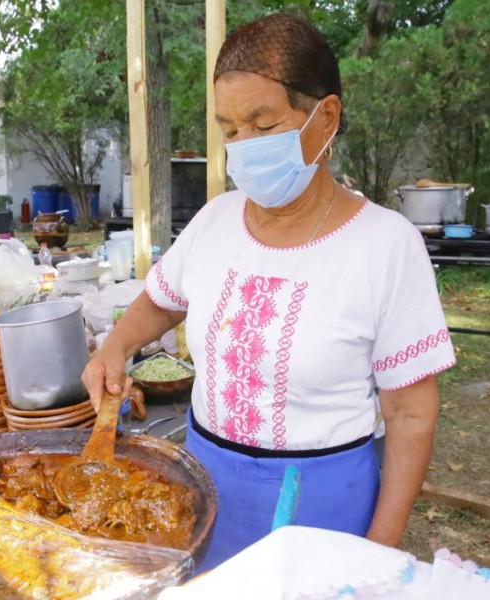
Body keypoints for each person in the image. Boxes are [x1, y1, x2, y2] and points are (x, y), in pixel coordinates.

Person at [83, 13, 456, 571]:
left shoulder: (386, 245)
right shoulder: (216, 221)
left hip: (325, 504)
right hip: (204, 488)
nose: (243, 146)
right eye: (230, 130)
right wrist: (115, 346)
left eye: (263, 125)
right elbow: (163, 299)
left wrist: (379, 553)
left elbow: (409, 416)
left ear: (324, 117)